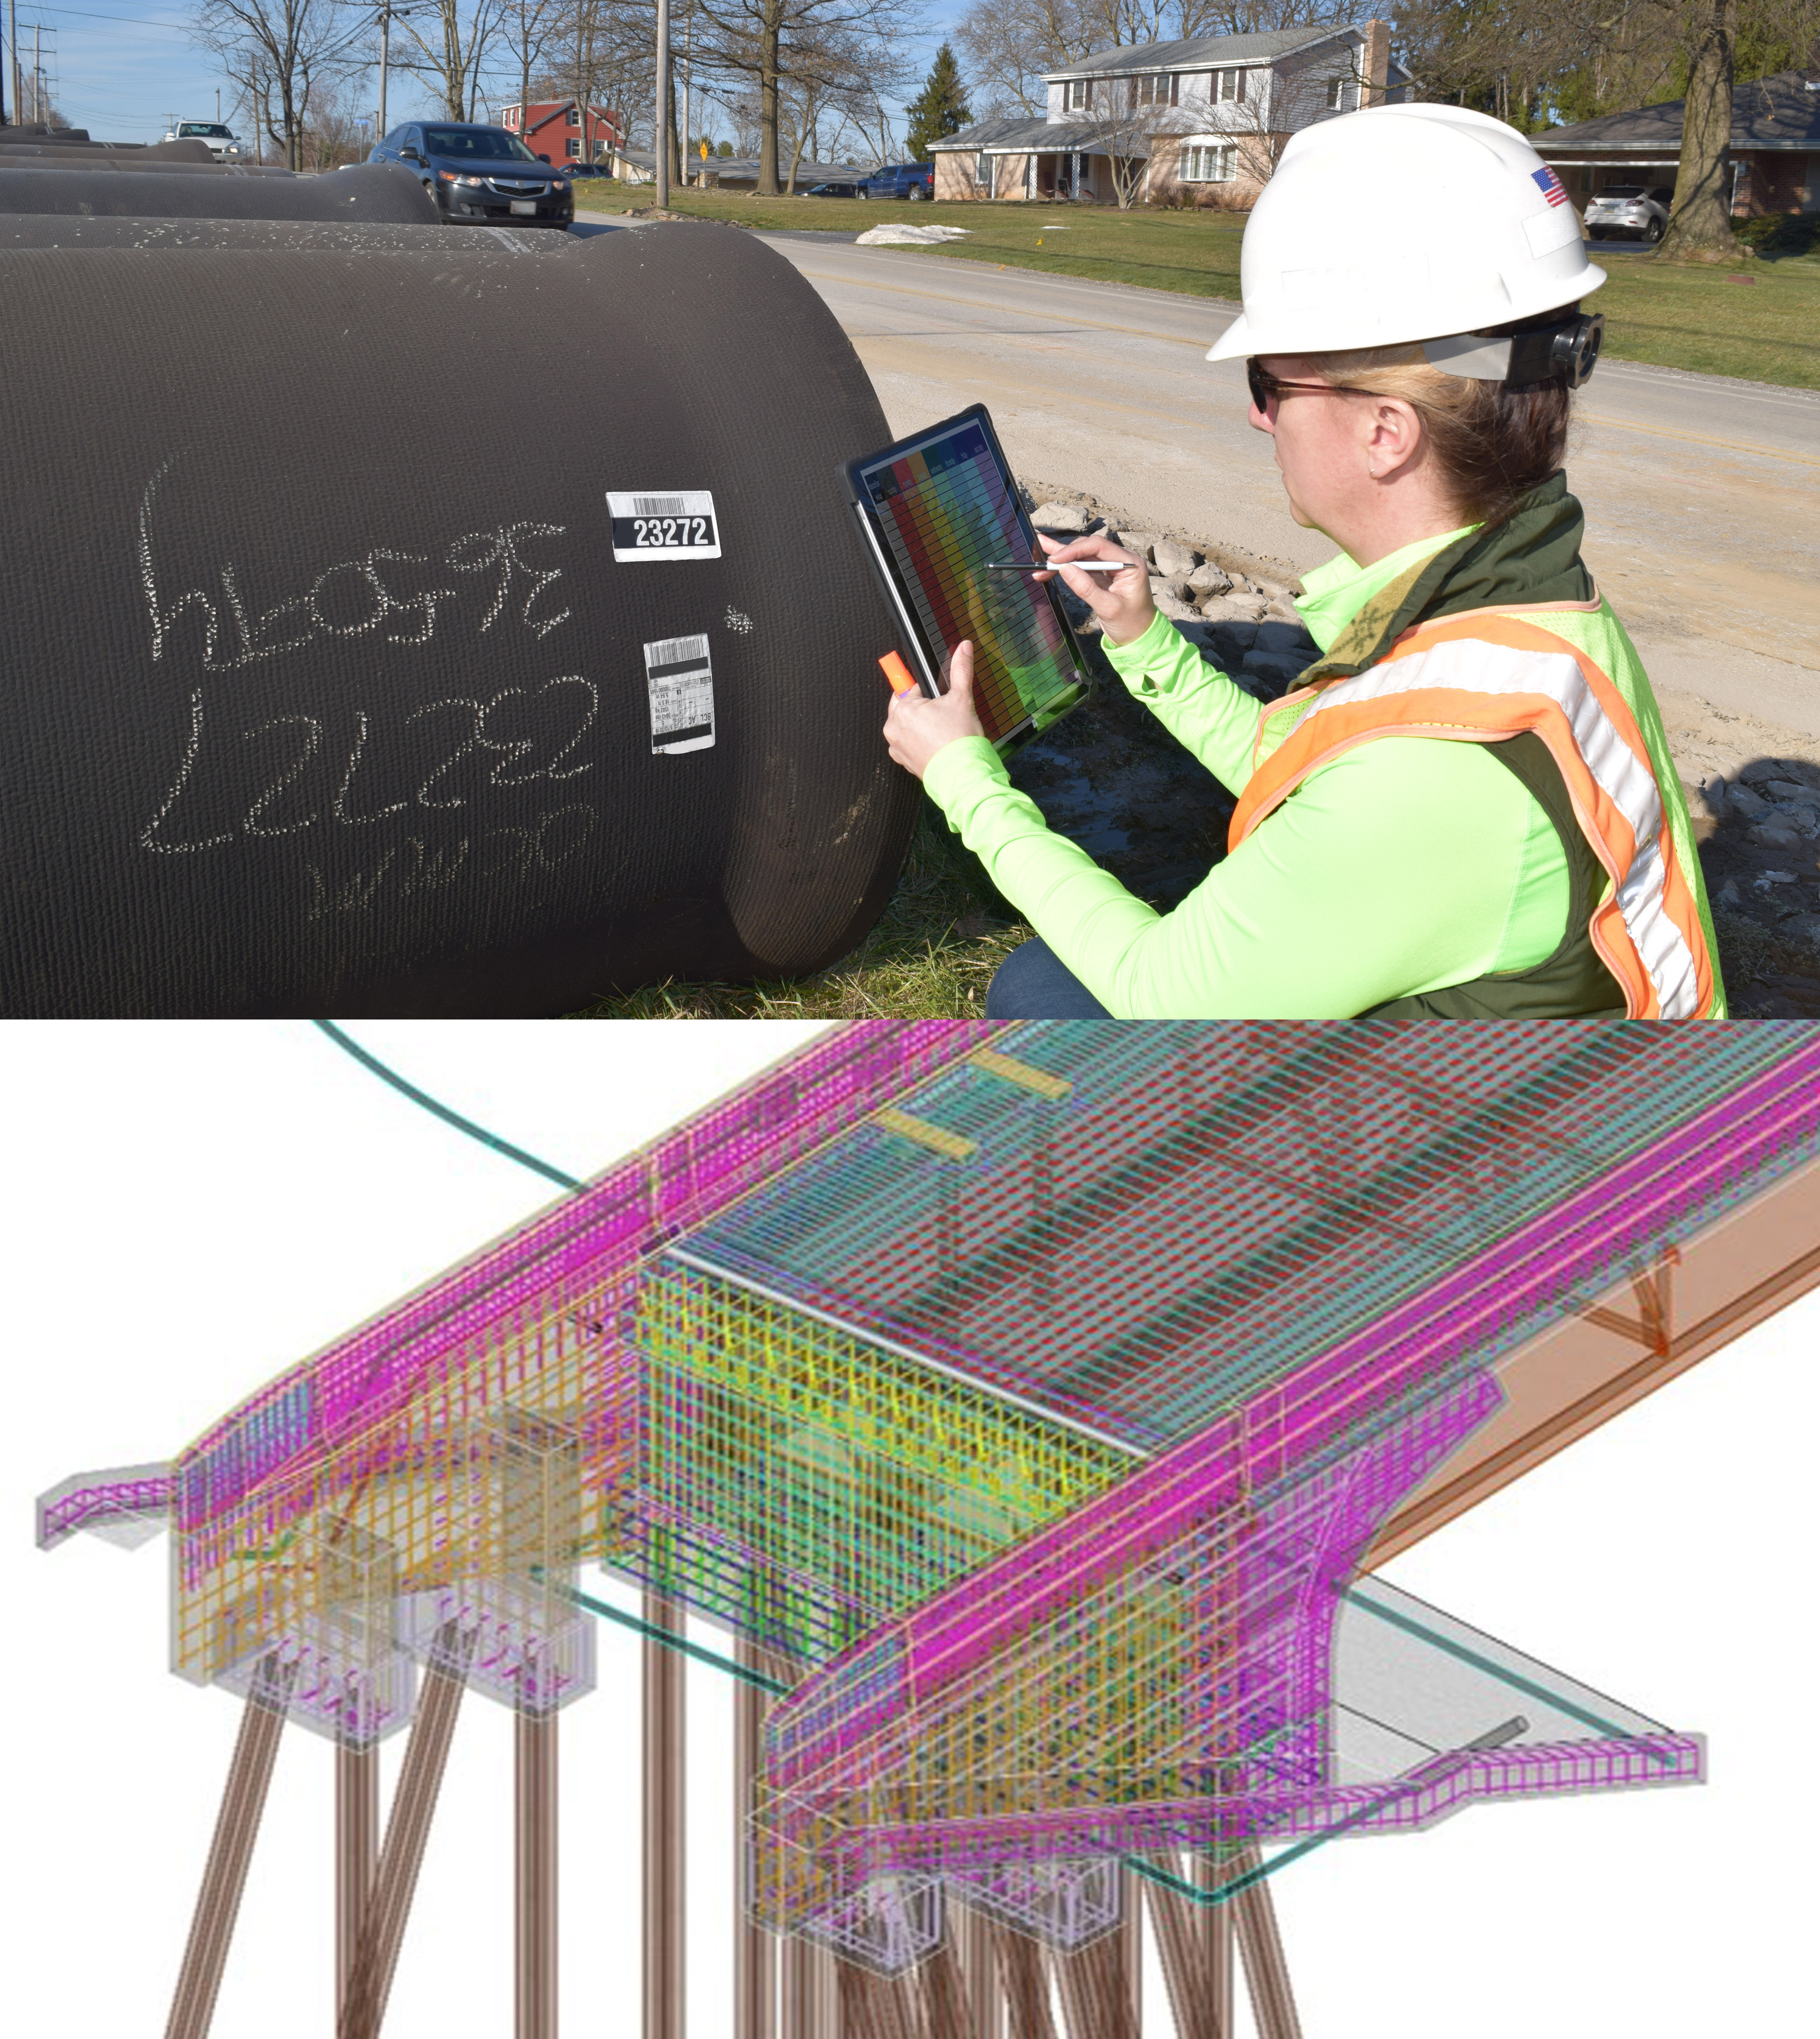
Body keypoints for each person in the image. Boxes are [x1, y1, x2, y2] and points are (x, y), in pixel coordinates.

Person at [882, 103, 1725, 1021]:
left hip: (1505, 1149)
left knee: (1045, 991)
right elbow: (1303, 767)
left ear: (1383, 431)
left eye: (1269, 385)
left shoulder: (1433, 776)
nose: (1257, 416)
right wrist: (1141, 640)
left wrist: (964, 777)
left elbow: (1154, 988)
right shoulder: (1520, 613)